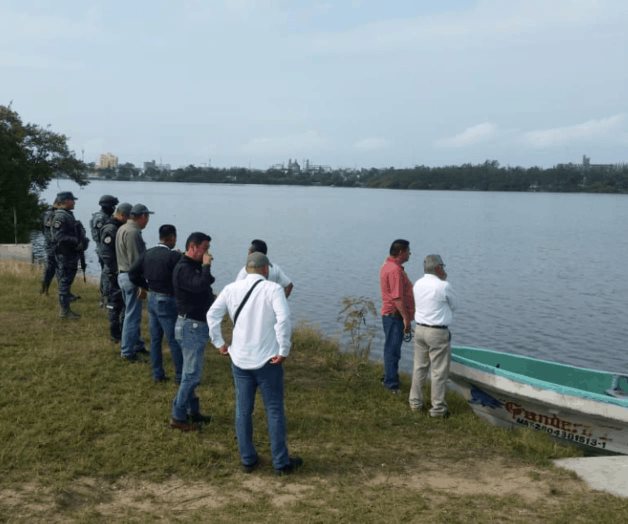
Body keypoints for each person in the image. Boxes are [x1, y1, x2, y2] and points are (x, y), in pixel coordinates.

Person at [207, 252, 302, 475]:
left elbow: (212, 314)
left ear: (247, 269)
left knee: (243, 410)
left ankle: (248, 459)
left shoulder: (231, 289)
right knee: (274, 410)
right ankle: (281, 462)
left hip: (239, 359)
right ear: (266, 269)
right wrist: (284, 349)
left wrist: (219, 343)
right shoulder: (274, 289)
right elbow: (283, 320)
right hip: (268, 360)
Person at [170, 232, 215, 430]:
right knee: (191, 375)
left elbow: (207, 282)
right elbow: (199, 286)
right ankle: (178, 416)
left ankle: (192, 411)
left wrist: (204, 267)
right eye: (205, 248)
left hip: (194, 325)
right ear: (193, 247)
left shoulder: (191, 266)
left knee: (192, 372)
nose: (208, 254)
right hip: (191, 326)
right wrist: (205, 266)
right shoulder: (183, 268)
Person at [129, 224, 183, 383]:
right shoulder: (173, 256)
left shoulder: (148, 253)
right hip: (167, 299)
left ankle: (157, 373)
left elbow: (132, 273)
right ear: (172, 237)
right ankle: (180, 375)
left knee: (155, 339)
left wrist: (146, 286)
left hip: (152, 297)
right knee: (173, 339)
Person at [409, 254, 457, 418]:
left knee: (419, 367)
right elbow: (455, 306)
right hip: (437, 332)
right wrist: (443, 280)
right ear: (438, 268)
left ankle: (415, 402)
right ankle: (437, 408)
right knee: (438, 371)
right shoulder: (443, 286)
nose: (444, 270)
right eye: (442, 267)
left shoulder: (418, 284)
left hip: (420, 329)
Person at [116, 203, 153, 361]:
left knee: (131, 313)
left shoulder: (123, 228)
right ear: (143, 216)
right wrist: (143, 284)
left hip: (123, 275)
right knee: (132, 316)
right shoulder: (133, 232)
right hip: (132, 278)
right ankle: (127, 352)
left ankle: (136, 344)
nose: (148, 221)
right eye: (147, 217)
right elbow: (137, 262)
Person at [379, 239, 415, 393]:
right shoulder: (394, 271)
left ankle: (389, 376)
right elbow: (397, 298)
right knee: (393, 350)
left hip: (391, 316)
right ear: (401, 252)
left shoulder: (387, 265)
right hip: (394, 316)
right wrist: (406, 319)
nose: (410, 253)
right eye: (408, 251)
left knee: (391, 348)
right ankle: (391, 384)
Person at [51, 191, 89, 319]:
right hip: (65, 254)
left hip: (70, 254)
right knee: (64, 282)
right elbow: (58, 236)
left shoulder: (67, 215)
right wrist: (76, 241)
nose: (74, 202)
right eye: (72, 200)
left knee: (67, 281)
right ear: (65, 201)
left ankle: (66, 310)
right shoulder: (61, 217)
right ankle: (64, 312)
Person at [100, 202, 132, 342]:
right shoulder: (111, 228)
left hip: (119, 271)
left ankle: (122, 330)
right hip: (113, 272)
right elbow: (106, 254)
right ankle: (115, 334)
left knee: (121, 303)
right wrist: (115, 271)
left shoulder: (119, 227)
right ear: (123, 215)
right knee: (114, 303)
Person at [90, 194, 119, 307]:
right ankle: (105, 299)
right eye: (113, 206)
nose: (114, 208)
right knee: (107, 274)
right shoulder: (100, 218)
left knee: (107, 273)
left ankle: (107, 296)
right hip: (104, 250)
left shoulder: (105, 216)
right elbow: (99, 236)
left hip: (105, 249)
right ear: (108, 206)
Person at [40, 196, 60, 295]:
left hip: (54, 246)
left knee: (55, 268)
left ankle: (63, 292)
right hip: (52, 246)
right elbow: (49, 234)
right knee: (50, 268)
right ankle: (44, 290)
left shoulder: (54, 213)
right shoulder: (50, 214)